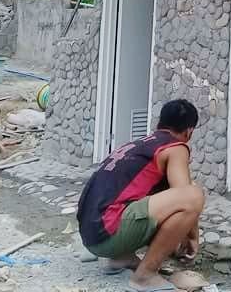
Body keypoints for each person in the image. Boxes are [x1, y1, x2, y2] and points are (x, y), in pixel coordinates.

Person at [77, 99, 205, 292]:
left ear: (159, 123)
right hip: (108, 233)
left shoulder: (140, 145)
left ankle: (120, 257)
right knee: (194, 194)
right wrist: (192, 236)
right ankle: (145, 276)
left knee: (166, 191)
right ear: (189, 131)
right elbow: (185, 194)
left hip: (91, 235)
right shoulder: (176, 147)